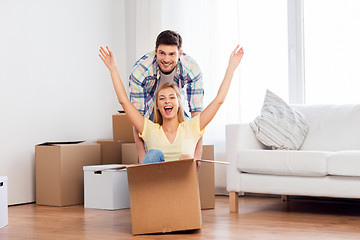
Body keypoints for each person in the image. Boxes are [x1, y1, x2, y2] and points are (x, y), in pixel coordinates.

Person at [99, 45, 244, 164]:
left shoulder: (191, 127)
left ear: (179, 103)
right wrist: (113, 68)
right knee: (153, 154)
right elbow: (124, 101)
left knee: (187, 158)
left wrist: (231, 67)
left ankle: (177, 198)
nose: (167, 101)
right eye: (161, 98)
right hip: (155, 184)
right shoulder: (150, 129)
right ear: (156, 106)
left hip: (181, 188)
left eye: (171, 97)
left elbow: (219, 100)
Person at [129, 30, 204, 163]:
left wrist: (197, 157)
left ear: (180, 54)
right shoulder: (140, 71)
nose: (166, 59)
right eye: (162, 53)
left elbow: (197, 117)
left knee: (187, 135)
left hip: (176, 105)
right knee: (151, 144)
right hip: (152, 107)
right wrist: (142, 156)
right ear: (155, 50)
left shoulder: (192, 68)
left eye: (172, 54)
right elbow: (137, 116)